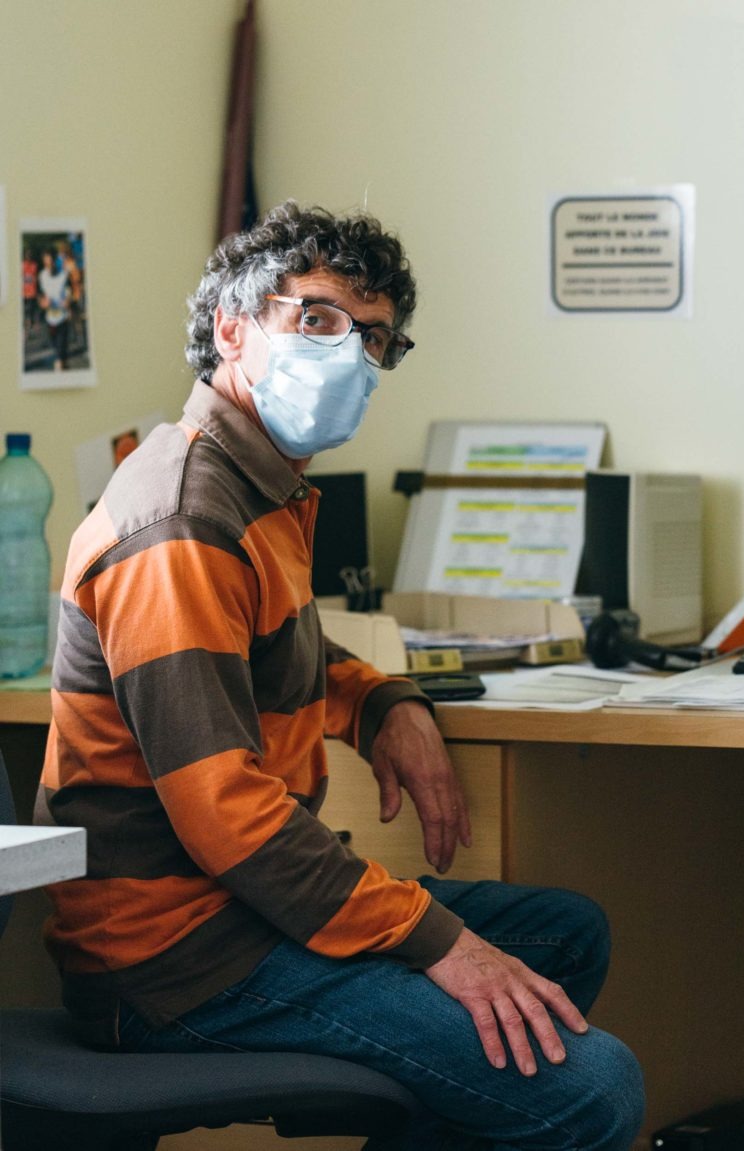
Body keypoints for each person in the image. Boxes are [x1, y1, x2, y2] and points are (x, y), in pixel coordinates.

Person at [37, 201, 643, 1151]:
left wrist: (380, 700)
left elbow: (276, 655)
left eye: (374, 337)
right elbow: (226, 818)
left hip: (236, 917)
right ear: (233, 329)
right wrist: (439, 942)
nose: (350, 352)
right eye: (316, 317)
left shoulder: (256, 487)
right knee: (591, 1084)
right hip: (175, 957)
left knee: (565, 935)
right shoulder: (185, 521)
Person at [37, 246, 71, 370]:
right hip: (50, 319)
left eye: (51, 260)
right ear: (44, 261)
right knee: (59, 353)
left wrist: (67, 301)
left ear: (55, 260)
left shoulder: (63, 274)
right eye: (46, 261)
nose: (49, 264)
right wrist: (43, 302)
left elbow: (69, 291)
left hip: (63, 318)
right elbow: (40, 295)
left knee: (59, 358)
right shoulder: (42, 276)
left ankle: (60, 365)